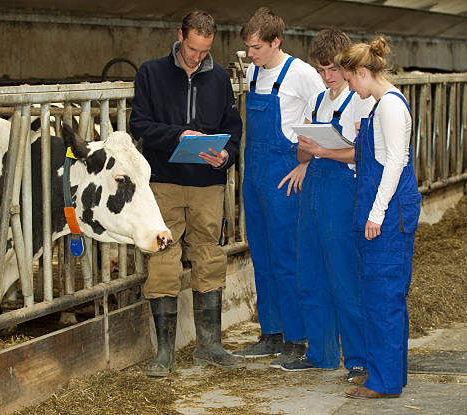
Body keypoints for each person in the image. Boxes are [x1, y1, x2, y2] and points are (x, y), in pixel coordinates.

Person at [129, 10, 245, 378]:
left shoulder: (220, 78)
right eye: (193, 48)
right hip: (164, 179)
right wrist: (178, 135)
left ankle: (210, 345)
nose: (197, 57)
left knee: (209, 254)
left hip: (207, 183)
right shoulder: (151, 73)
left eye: (204, 50)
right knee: (163, 253)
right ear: (180, 36)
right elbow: (140, 125)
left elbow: (233, 127)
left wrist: (226, 155)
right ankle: (165, 352)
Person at [276, 29, 374, 384]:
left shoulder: (359, 101)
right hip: (313, 195)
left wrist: (321, 151)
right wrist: (304, 150)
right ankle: (321, 353)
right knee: (311, 275)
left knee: (345, 279)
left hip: (340, 195)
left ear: (346, 66)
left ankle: (360, 360)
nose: (327, 77)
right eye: (321, 70)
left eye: (332, 69)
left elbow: (363, 152)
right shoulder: (318, 101)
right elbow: (304, 151)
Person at [233, 7, 324, 368]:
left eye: (256, 48)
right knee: (262, 253)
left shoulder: (302, 74)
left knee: (288, 256)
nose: (250, 55)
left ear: (276, 41)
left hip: (283, 171)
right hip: (255, 173)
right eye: (248, 47)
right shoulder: (255, 72)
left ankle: (297, 337)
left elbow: (324, 115)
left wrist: (306, 161)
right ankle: (270, 332)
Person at [334, 36, 422, 398]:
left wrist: (376, 213)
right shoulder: (378, 106)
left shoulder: (389, 107)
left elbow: (396, 165)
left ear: (363, 72)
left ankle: (384, 381)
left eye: (351, 81)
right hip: (378, 209)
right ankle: (383, 372)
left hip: (387, 214)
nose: (351, 89)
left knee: (384, 297)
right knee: (377, 295)